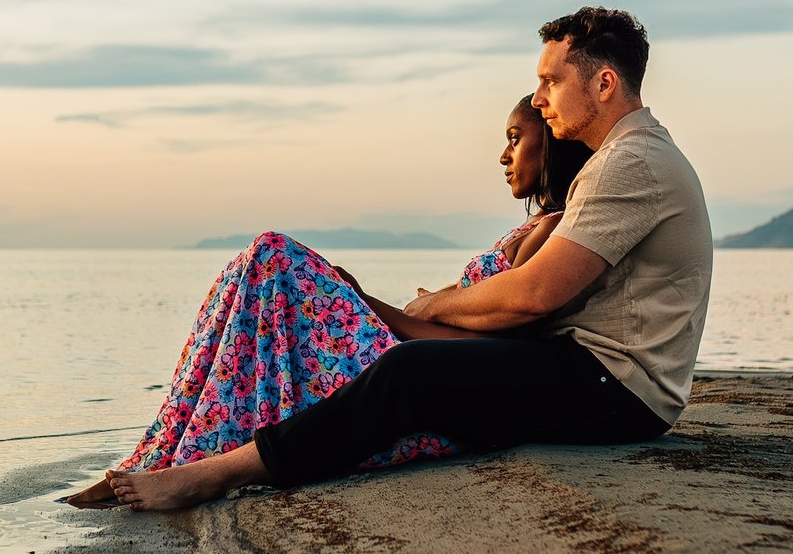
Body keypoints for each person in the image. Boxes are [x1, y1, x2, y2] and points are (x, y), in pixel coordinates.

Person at [102, 6, 710, 512]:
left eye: (552, 80)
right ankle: (204, 445)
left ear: (604, 83)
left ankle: (217, 472)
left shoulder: (633, 162)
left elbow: (534, 294)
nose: (539, 97)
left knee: (409, 373)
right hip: (588, 369)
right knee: (409, 366)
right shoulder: (621, 160)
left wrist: (431, 304)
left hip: (618, 390)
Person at [63, 99, 589, 508]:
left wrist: (373, 306)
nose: (503, 155)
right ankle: (171, 447)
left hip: (428, 381)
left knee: (274, 256)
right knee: (258, 271)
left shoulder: (553, 232)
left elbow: (492, 349)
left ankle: (190, 455)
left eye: (517, 139)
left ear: (554, 147)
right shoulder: (528, 227)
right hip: (411, 356)